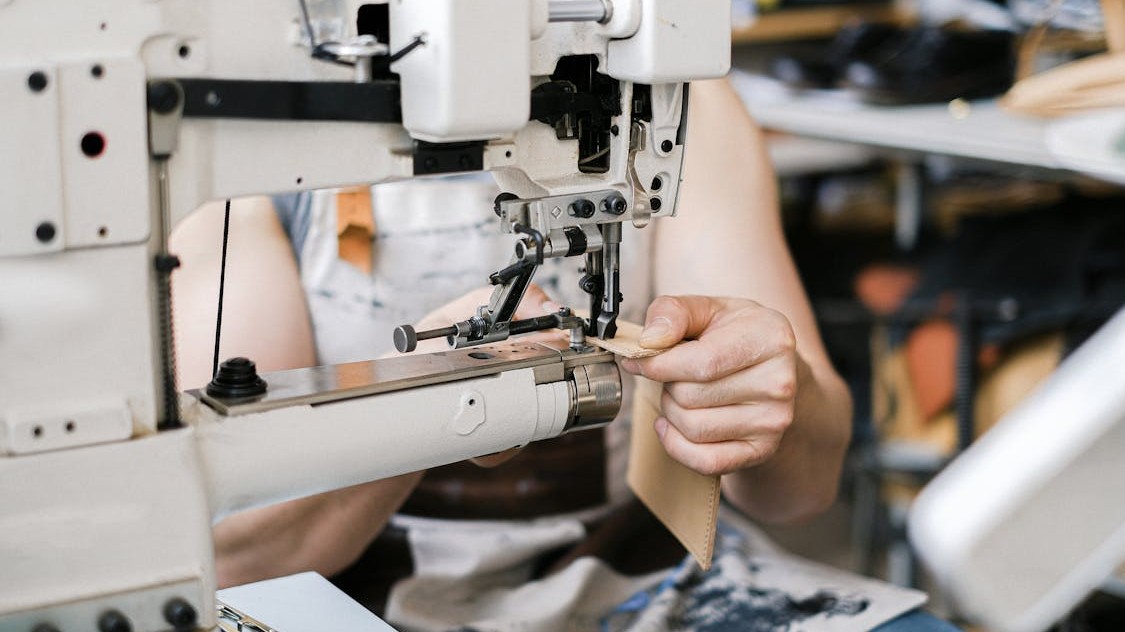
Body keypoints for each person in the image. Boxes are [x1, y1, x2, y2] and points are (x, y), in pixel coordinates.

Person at [172, 79, 953, 630]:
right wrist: (422, 402)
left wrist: (768, 402)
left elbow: (803, 487)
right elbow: (242, 552)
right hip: (361, 592)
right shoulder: (255, 148)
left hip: (639, 567)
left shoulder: (672, 103)